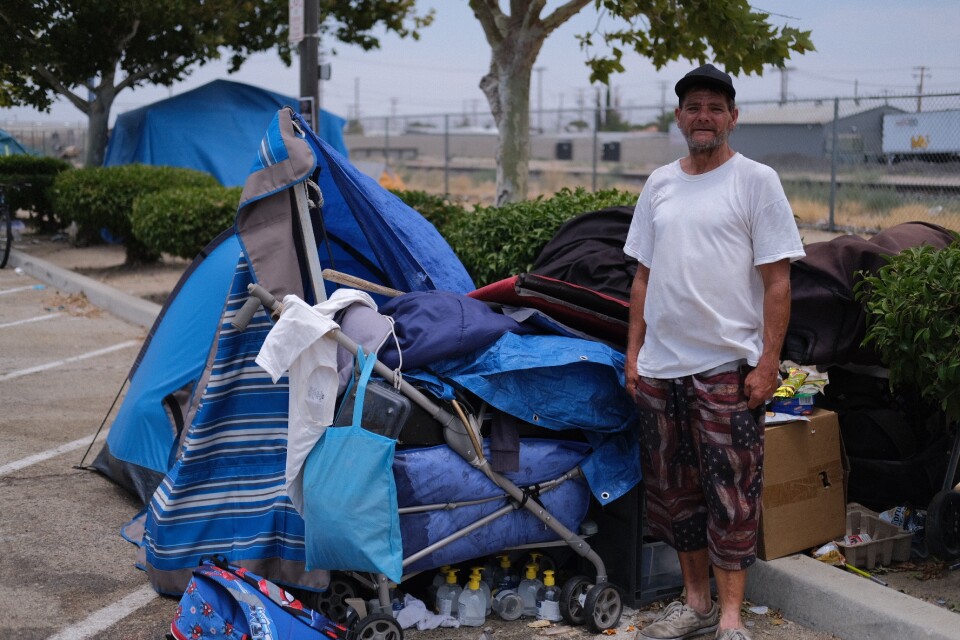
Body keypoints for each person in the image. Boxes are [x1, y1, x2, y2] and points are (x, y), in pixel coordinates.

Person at [623, 63, 805, 640]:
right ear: (679, 117)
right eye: (693, 107)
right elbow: (641, 280)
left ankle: (731, 619)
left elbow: (778, 282)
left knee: (732, 494)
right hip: (660, 369)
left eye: (715, 107)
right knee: (676, 497)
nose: (704, 116)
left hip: (726, 368)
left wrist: (769, 362)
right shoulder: (659, 184)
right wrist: (633, 356)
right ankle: (696, 604)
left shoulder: (756, 181)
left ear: (732, 116)